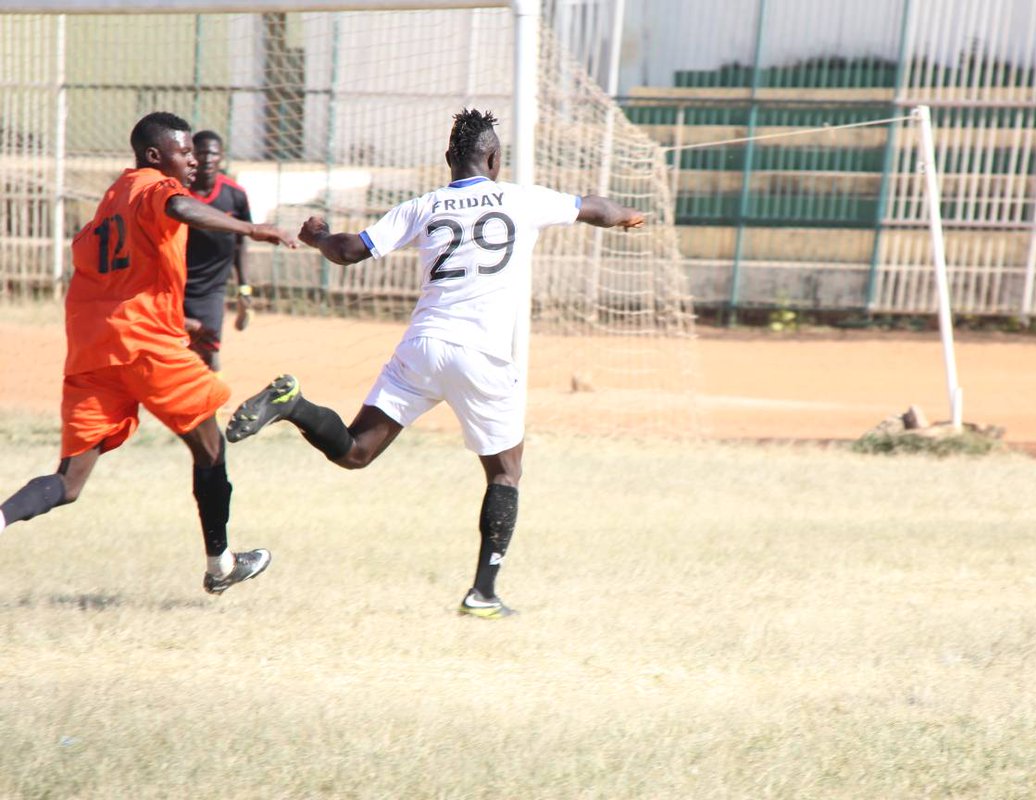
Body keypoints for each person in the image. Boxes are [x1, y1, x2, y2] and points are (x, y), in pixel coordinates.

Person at [225, 108, 644, 618]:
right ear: (494, 158)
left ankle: (293, 404)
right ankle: (483, 594)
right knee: (505, 472)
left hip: (423, 346)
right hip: (482, 355)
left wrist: (317, 236)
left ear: (448, 158)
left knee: (355, 452)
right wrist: (628, 215)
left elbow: (350, 250)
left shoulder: (422, 206)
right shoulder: (522, 198)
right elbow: (594, 208)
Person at [0, 111, 296, 595]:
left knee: (69, 483)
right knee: (210, 449)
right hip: (145, 347)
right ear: (155, 156)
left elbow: (104, 273)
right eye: (184, 153)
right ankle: (220, 565)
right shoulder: (156, 187)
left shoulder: (112, 199)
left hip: (93, 351)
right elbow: (182, 208)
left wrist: (175, 320)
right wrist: (250, 229)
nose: (192, 161)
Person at [184, 130, 254, 373]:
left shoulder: (234, 194)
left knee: (208, 349)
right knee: (172, 349)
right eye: (201, 153)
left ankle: (212, 393)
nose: (207, 159)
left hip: (212, 287)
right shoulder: (178, 193)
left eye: (213, 153)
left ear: (221, 156)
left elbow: (241, 242)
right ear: (191, 156)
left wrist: (244, 287)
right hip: (176, 283)